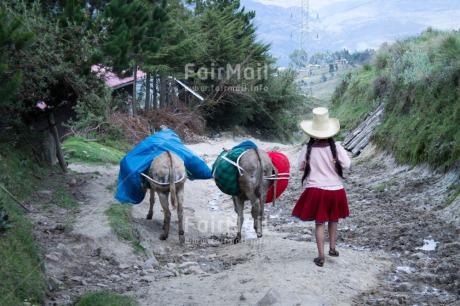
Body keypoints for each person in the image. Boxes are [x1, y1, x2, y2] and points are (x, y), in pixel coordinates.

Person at [292, 107, 351, 267]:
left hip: (317, 191)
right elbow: (346, 165)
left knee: (320, 223)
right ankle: (332, 248)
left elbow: (300, 167)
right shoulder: (336, 147)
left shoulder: (307, 148)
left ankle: (321, 256)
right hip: (336, 190)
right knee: (333, 219)